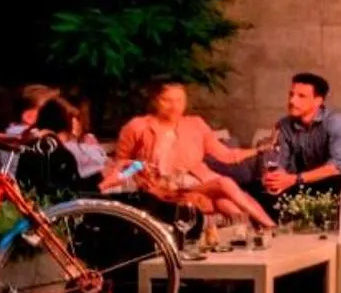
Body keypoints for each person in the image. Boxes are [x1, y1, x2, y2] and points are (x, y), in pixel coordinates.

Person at [105, 80, 272, 228]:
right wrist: (140, 179)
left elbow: (227, 155)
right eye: (167, 100)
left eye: (179, 100)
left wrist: (257, 150)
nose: (174, 106)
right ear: (155, 101)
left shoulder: (195, 124)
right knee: (224, 188)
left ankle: (257, 230)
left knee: (224, 196)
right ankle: (265, 227)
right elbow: (122, 165)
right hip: (162, 189)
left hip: (195, 182)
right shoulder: (138, 127)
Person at [259, 72, 341, 213]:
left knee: (338, 186)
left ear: (318, 100)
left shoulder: (336, 121)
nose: (292, 101)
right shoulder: (284, 126)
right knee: (256, 192)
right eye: (291, 95)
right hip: (305, 184)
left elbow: (337, 166)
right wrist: (274, 179)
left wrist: (294, 179)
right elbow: (280, 163)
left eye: (301, 96)